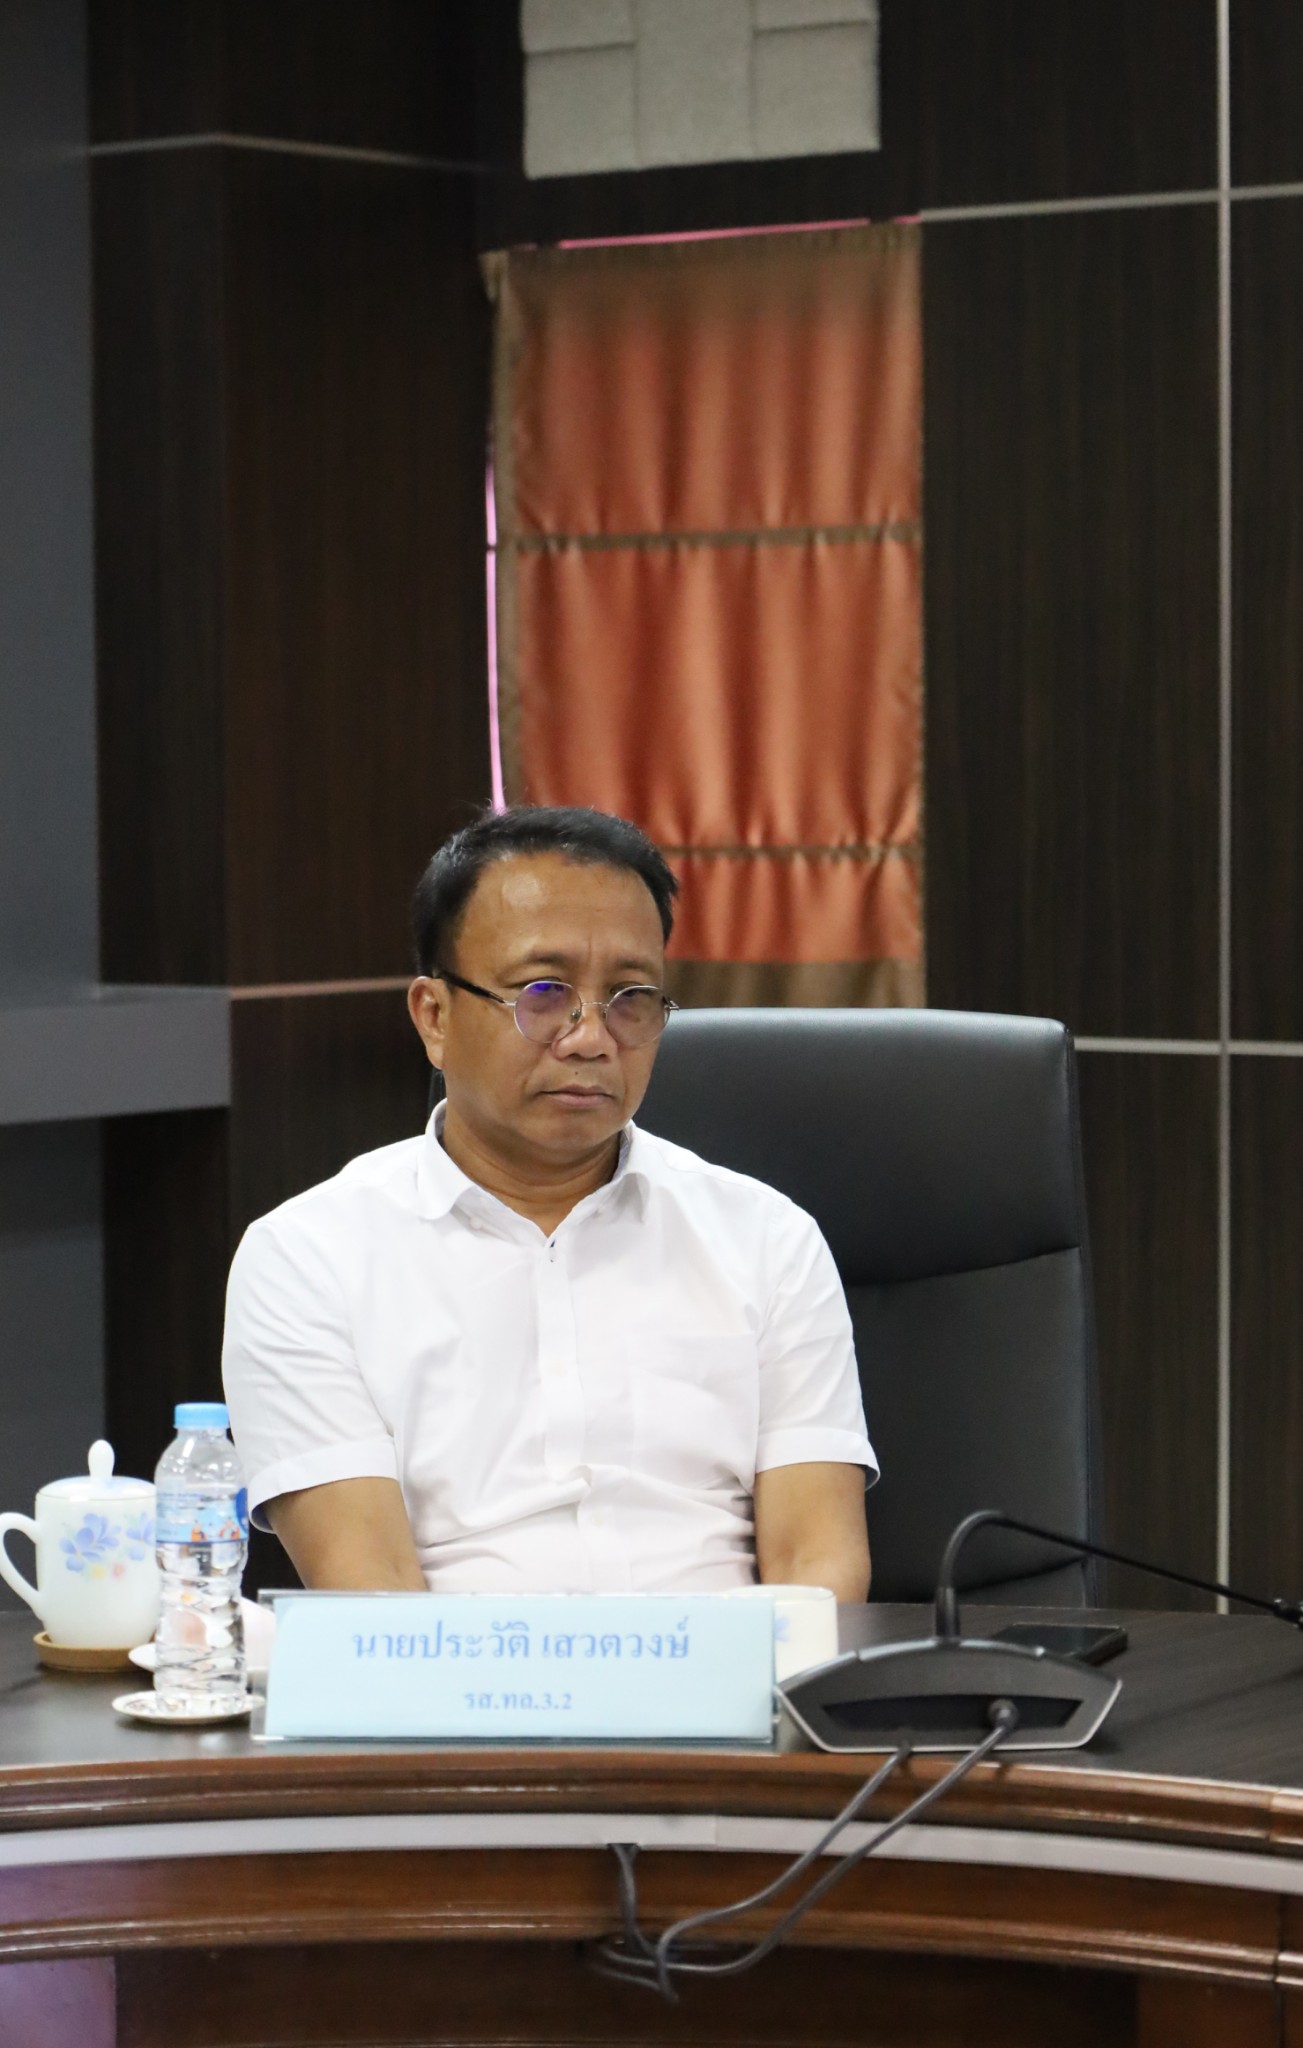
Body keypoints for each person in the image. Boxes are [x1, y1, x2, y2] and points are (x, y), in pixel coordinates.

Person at [222, 805, 875, 1599]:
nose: (591, 1038)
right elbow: (371, 1591)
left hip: (728, 1669)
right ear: (434, 1016)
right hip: (451, 1674)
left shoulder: (766, 1239)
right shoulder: (306, 1258)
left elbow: (819, 1568)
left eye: (630, 997)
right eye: (542, 992)